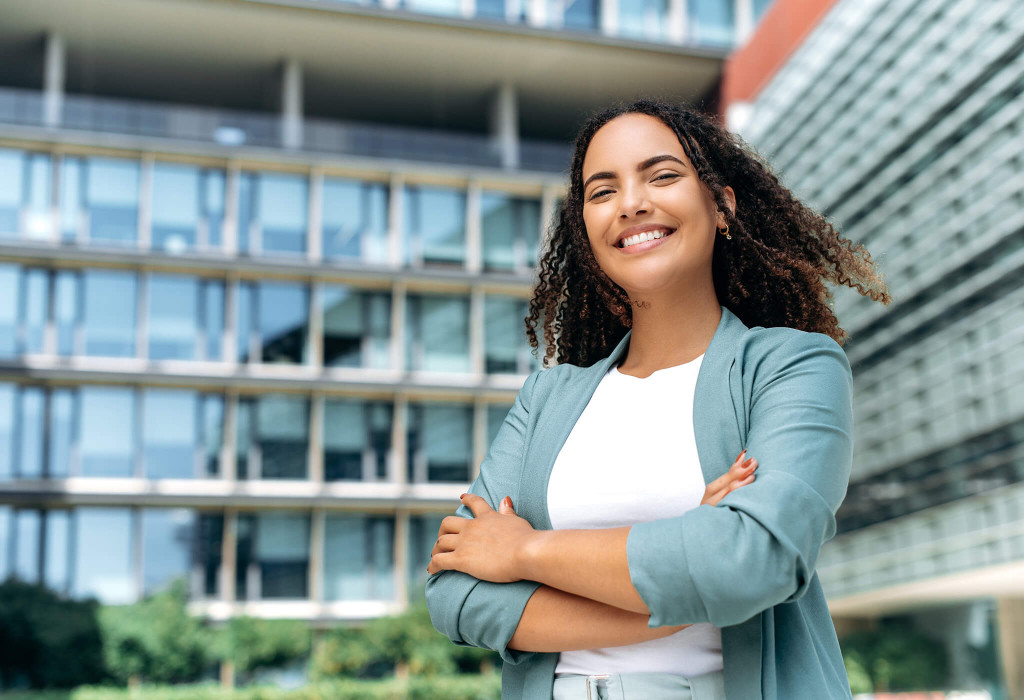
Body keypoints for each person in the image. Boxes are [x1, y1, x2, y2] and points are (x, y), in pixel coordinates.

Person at [424, 98, 892, 700]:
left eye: (662, 175)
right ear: (585, 231)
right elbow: (455, 592)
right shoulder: (547, 397)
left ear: (722, 205)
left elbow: (755, 560)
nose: (631, 203)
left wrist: (524, 551)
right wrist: (684, 582)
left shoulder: (792, 366)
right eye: (602, 190)